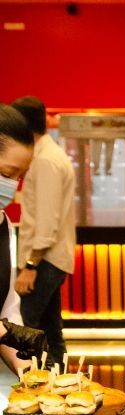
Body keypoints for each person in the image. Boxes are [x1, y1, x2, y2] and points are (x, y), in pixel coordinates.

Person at [10, 96, 75, 369]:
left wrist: (29, 266)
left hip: (43, 260)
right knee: (50, 331)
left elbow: (47, 221)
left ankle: (37, 389)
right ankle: (59, 387)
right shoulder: (48, 155)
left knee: (25, 329)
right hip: (49, 259)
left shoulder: (46, 161)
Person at [0, 104, 50, 370]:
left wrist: (26, 367)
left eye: (19, 177)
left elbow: (7, 307)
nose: (12, 185)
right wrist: (6, 333)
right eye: (7, 174)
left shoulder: (3, 223)